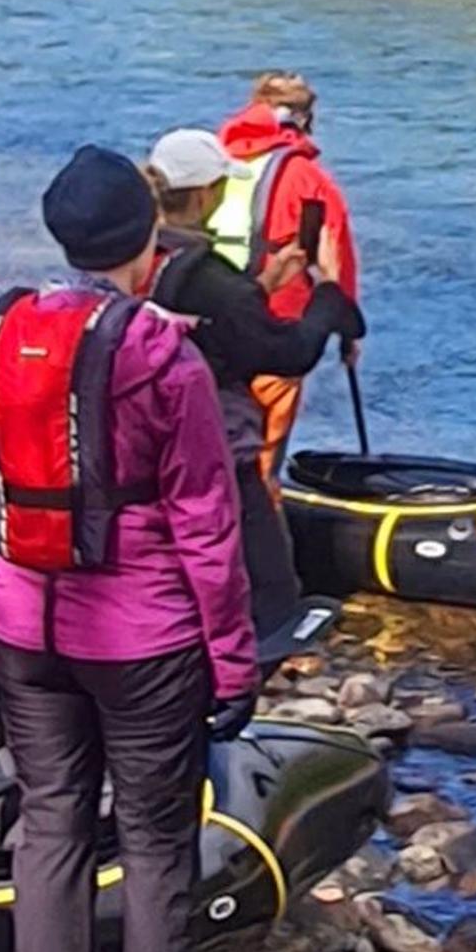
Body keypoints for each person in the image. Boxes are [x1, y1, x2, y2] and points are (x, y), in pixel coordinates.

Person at [0, 145, 254, 952]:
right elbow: (206, 523)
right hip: (143, 639)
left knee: (50, 824)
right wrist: (233, 662)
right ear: (148, 239)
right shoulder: (165, 357)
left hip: (23, 623)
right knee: (159, 847)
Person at [146, 125, 365, 676]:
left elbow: (213, 325)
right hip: (218, 441)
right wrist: (327, 292)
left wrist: (263, 284)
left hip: (158, 440)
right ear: (205, 195)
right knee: (270, 582)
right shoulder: (210, 277)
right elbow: (288, 353)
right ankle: (243, 677)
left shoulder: (150, 258)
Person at [209, 71, 363, 468]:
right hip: (278, 329)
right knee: (262, 452)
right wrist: (347, 333)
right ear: (305, 119)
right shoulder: (309, 179)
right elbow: (335, 259)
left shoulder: (215, 163)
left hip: (209, 323)